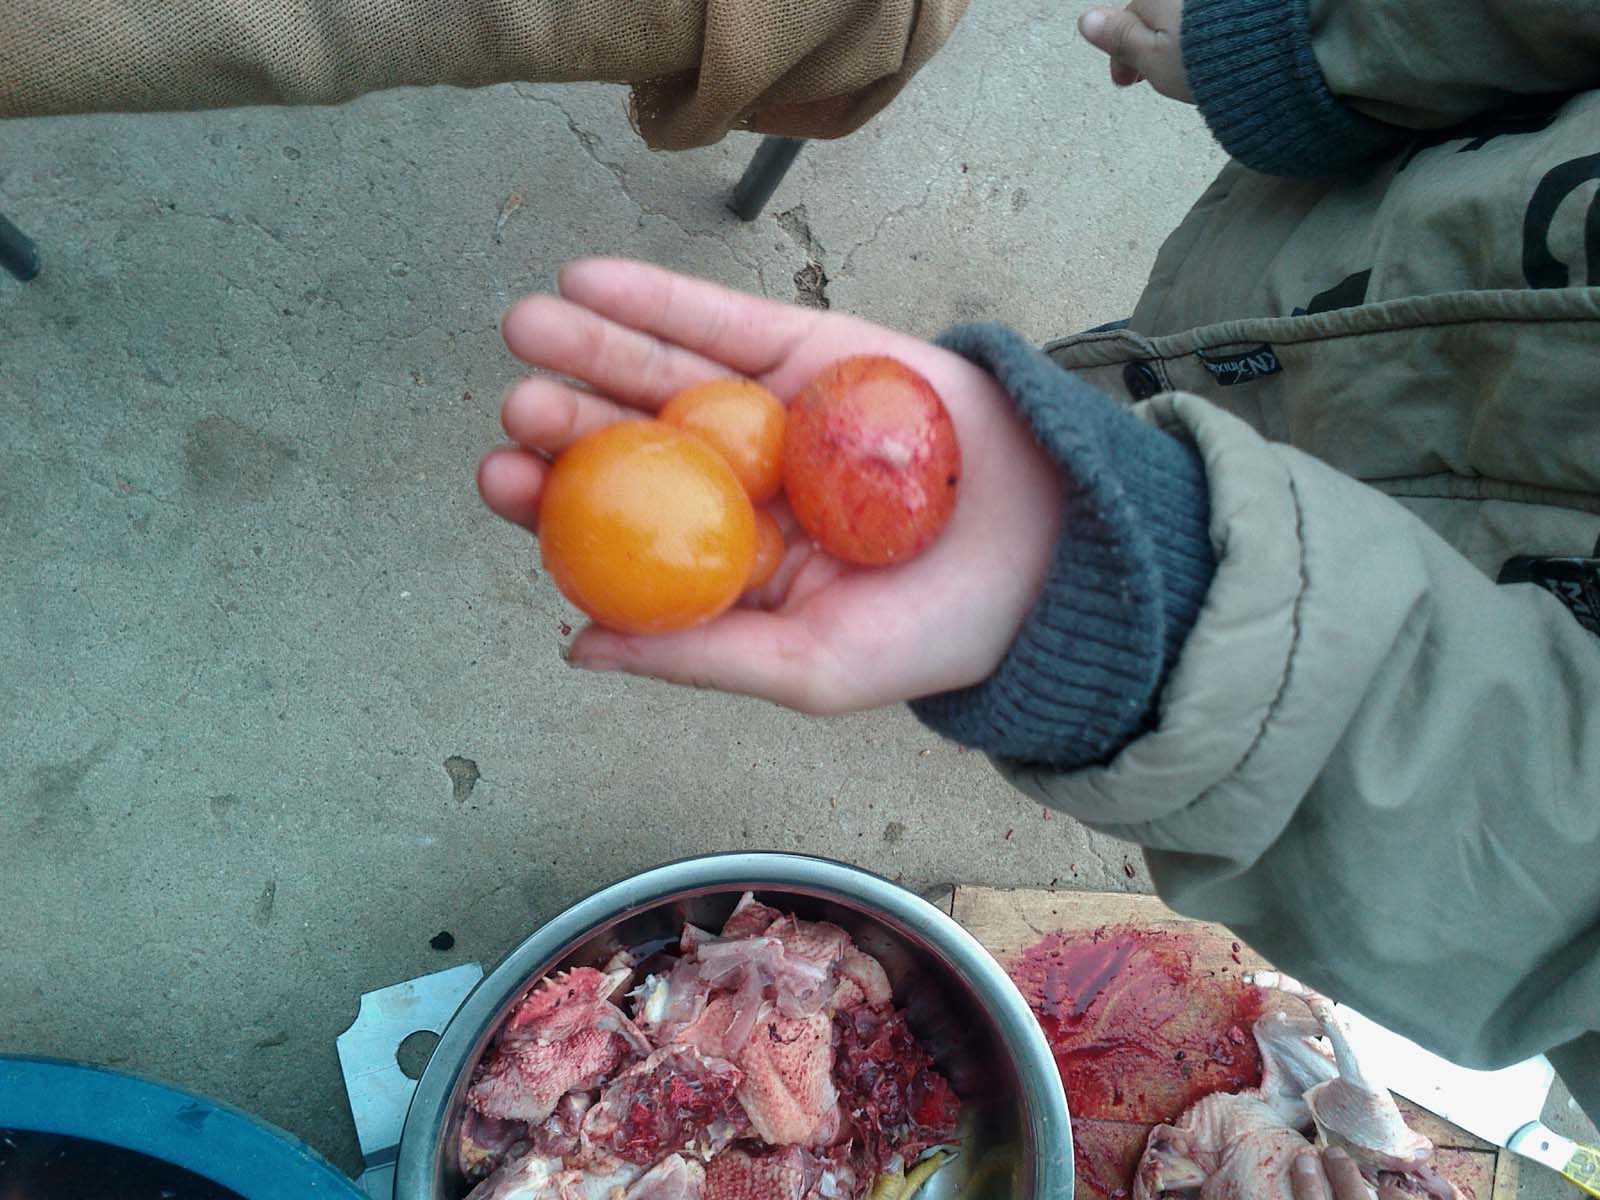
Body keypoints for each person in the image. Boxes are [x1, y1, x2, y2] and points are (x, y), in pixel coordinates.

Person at [476, 0, 1600, 1124]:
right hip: (1294, 301)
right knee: (1150, 386)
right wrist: (1300, 43)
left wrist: (1150, 626)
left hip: (1302, 526)